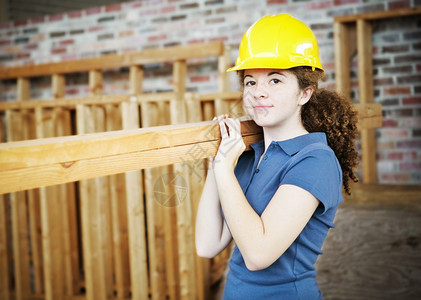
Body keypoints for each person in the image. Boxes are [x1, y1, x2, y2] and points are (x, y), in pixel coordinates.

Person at [195, 14, 359, 299]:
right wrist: (218, 159)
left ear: (304, 93)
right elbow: (207, 245)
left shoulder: (315, 161)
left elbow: (258, 254)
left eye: (275, 80)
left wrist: (224, 169)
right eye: (250, 82)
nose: (259, 93)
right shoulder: (248, 156)